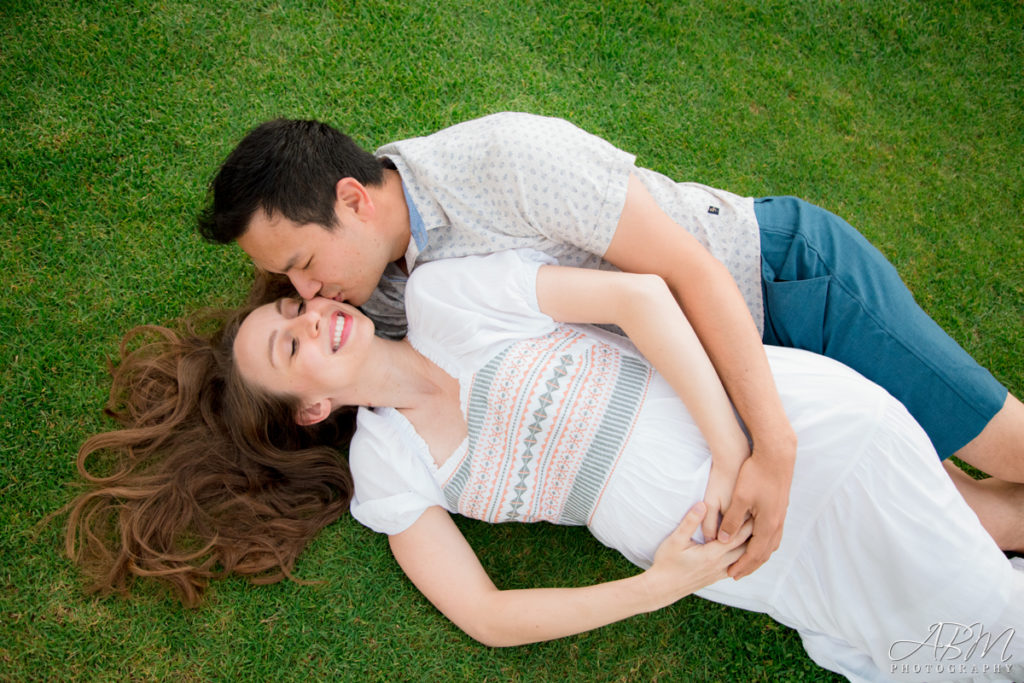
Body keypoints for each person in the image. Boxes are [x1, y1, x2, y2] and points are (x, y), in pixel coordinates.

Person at [68, 250, 1022, 681]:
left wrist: (738, 453)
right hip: (730, 557)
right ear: (314, 406)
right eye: (291, 348)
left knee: (984, 634)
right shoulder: (392, 471)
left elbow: (644, 298)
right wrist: (663, 585)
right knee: (953, 619)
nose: (310, 315)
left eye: (289, 309)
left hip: (781, 428)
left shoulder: (449, 294)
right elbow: (487, 615)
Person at [197, 113, 1024, 573]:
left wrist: (765, 445)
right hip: (699, 384)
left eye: (303, 267)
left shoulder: (508, 160)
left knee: (1009, 447)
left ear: (354, 198)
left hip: (779, 288)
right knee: (964, 518)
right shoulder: (368, 294)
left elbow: (689, 271)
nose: (306, 296)